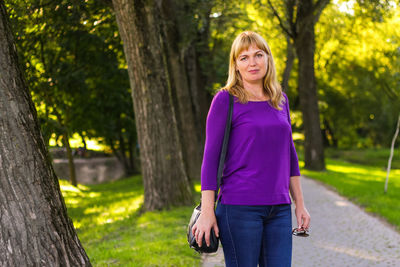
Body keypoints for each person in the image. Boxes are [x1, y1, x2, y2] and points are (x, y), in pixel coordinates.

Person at [192, 31, 311, 267]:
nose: (252, 62)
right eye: (244, 57)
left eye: (258, 54)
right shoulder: (225, 100)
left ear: (268, 58)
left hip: (278, 208)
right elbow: (210, 159)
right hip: (239, 209)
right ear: (235, 65)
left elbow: (290, 155)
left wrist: (300, 204)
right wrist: (207, 211)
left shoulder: (281, 100)